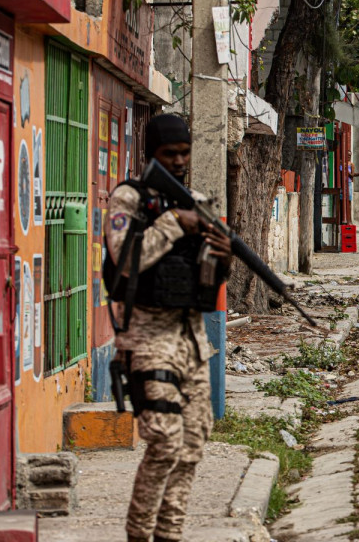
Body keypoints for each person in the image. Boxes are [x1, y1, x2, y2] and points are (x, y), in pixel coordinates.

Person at [105, 114, 233, 542]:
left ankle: (170, 535)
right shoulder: (129, 200)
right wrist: (175, 223)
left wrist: (222, 255)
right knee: (163, 442)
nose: (179, 161)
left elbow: (207, 279)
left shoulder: (197, 201)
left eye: (184, 153)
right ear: (152, 156)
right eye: (169, 154)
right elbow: (125, 260)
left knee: (192, 446)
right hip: (148, 339)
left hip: (192, 340)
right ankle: (139, 535)